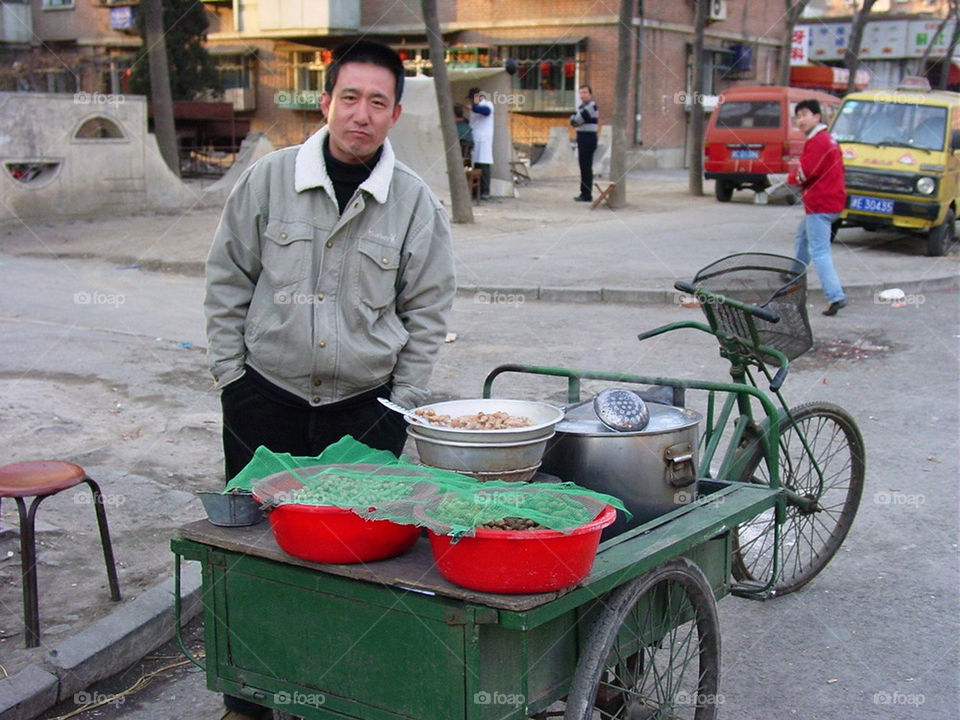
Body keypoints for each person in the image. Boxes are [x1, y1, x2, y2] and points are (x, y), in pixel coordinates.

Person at [204, 40, 456, 720]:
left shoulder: (414, 205)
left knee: (355, 566)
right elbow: (227, 279)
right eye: (350, 98)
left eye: (378, 102)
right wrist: (232, 380)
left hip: (363, 414)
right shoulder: (268, 180)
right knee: (253, 551)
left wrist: (401, 408)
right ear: (326, 102)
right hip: (265, 401)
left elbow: (428, 313)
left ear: (395, 113)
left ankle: (338, 697)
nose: (361, 115)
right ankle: (247, 700)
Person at [787, 98, 847, 316]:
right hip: (831, 201)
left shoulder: (817, 142)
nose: (800, 120)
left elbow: (805, 173)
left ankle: (835, 296)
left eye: (804, 115)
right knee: (802, 238)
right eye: (798, 116)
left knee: (819, 251)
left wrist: (789, 178)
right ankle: (792, 279)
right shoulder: (829, 139)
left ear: (817, 116)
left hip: (820, 203)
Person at [570, 84, 599, 202]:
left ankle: (587, 194)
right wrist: (575, 120)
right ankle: (584, 192)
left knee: (586, 167)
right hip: (582, 137)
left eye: (585, 92)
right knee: (583, 166)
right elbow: (575, 122)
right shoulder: (582, 107)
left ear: (590, 94)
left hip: (588, 137)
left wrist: (574, 118)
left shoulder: (591, 106)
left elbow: (575, 121)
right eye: (580, 93)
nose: (582, 95)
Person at [465, 87, 494, 198]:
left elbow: (486, 112)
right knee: (476, 164)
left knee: (484, 164)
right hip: (475, 139)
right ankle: (476, 191)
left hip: (484, 139)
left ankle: (485, 192)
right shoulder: (474, 108)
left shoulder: (487, 105)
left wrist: (472, 107)